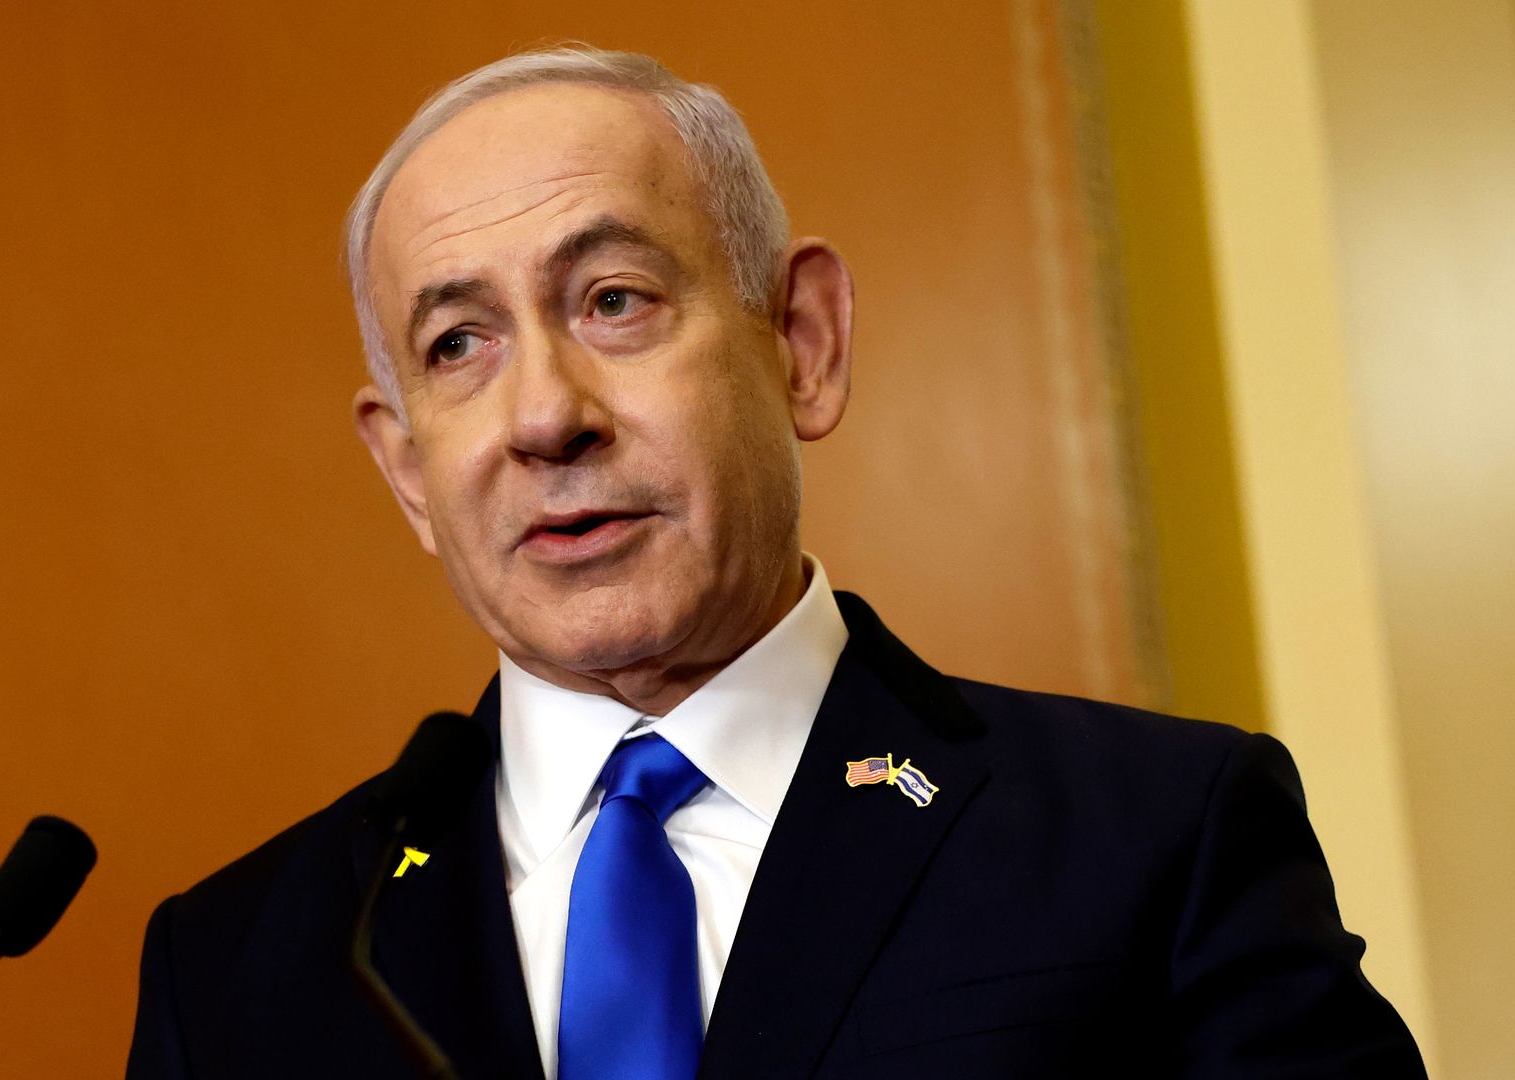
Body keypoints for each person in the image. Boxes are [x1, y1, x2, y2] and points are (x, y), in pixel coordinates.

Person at [127, 46, 1424, 1079]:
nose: (543, 416)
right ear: (407, 467)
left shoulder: (1156, 837)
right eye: (458, 345)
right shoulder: (245, 963)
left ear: (801, 343)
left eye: (613, 299)